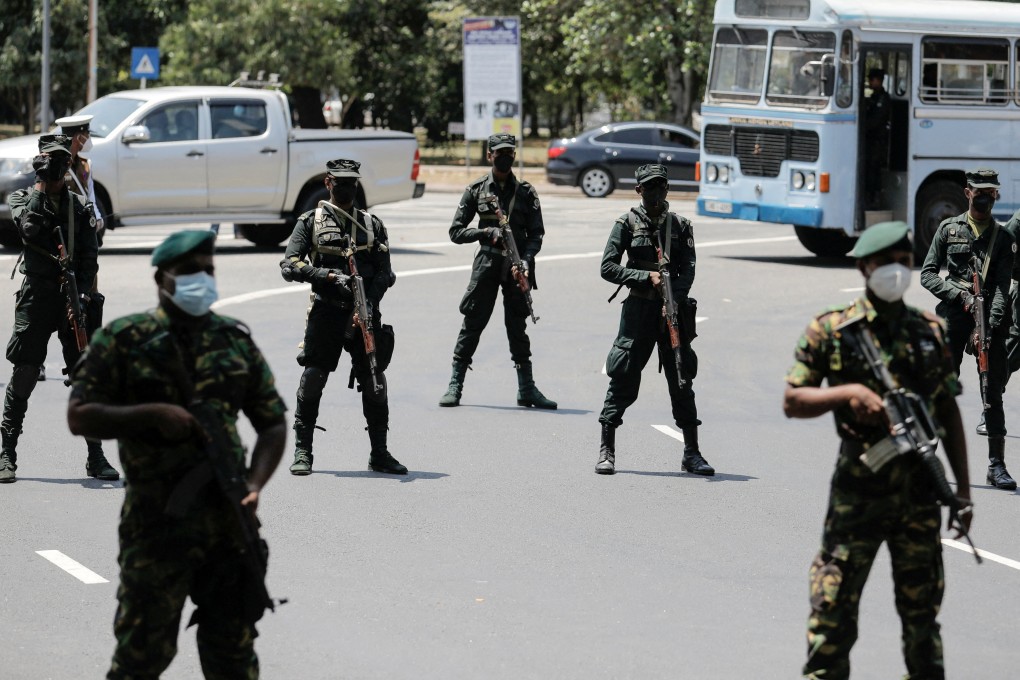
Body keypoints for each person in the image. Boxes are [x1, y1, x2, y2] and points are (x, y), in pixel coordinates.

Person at [66, 229, 288, 679]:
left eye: (208, 271)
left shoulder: (233, 340)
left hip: (227, 526)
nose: (201, 281)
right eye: (189, 273)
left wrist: (254, 485)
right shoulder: (124, 340)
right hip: (156, 527)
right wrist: (150, 414)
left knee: (233, 657)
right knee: (141, 657)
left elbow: (273, 423)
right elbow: (80, 415)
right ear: (161, 279)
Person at [784, 221, 973, 680]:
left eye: (905, 262)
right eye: (887, 262)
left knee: (923, 625)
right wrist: (846, 394)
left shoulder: (929, 330)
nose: (897, 271)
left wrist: (963, 492)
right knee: (831, 622)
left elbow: (948, 414)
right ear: (863, 266)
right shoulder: (830, 329)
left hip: (919, 499)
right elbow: (793, 400)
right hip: (857, 499)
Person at [0, 134, 118, 483]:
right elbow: (28, 230)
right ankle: (6, 453)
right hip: (37, 297)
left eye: (63, 161)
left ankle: (95, 457)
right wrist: (40, 185)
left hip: (71, 300)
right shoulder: (22, 197)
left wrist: (80, 299)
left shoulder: (79, 207)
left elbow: (89, 259)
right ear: (40, 161)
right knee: (24, 372)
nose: (58, 167)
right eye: (52, 160)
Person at [279, 158, 406, 476]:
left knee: (375, 381)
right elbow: (290, 264)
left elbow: (384, 272)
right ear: (328, 183)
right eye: (340, 182)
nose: (347, 188)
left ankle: (380, 452)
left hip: (364, 312)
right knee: (312, 378)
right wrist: (327, 277)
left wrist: (366, 305)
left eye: (352, 182)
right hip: (326, 310)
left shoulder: (372, 225)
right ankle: (303, 451)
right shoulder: (311, 221)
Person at [595, 163, 713, 476]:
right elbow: (608, 268)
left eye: (661, 186)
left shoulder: (681, 225)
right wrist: (645, 277)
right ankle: (607, 449)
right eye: (649, 187)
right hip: (639, 312)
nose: (656, 192)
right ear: (639, 190)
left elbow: (688, 267)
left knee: (681, 377)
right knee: (624, 375)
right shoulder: (627, 223)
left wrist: (674, 298)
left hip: (673, 313)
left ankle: (692, 452)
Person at [438, 133, 556, 409]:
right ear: (489, 155)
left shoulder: (526, 192)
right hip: (488, 263)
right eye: (499, 152)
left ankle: (526, 388)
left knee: (518, 325)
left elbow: (537, 233)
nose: (505, 157)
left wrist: (526, 259)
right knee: (473, 322)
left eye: (509, 152)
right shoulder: (476, 189)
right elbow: (456, 232)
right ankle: (455, 383)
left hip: (517, 266)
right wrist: (484, 232)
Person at [920, 169, 1017, 490]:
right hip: (953, 315)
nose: (985, 197)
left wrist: (987, 326)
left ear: (998, 195)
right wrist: (957, 294)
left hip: (989, 319)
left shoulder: (1004, 238)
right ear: (967, 193)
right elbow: (928, 274)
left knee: (993, 392)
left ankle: (996, 465)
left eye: (990, 191)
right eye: (979, 191)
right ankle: (928, 458)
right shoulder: (949, 229)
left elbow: (1003, 286)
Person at [863, 68, 891, 209]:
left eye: (871, 79)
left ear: (879, 81)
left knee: (874, 170)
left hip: (877, 141)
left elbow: (875, 121)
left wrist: (863, 126)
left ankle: (874, 199)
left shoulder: (883, 98)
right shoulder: (874, 97)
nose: (869, 82)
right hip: (870, 140)